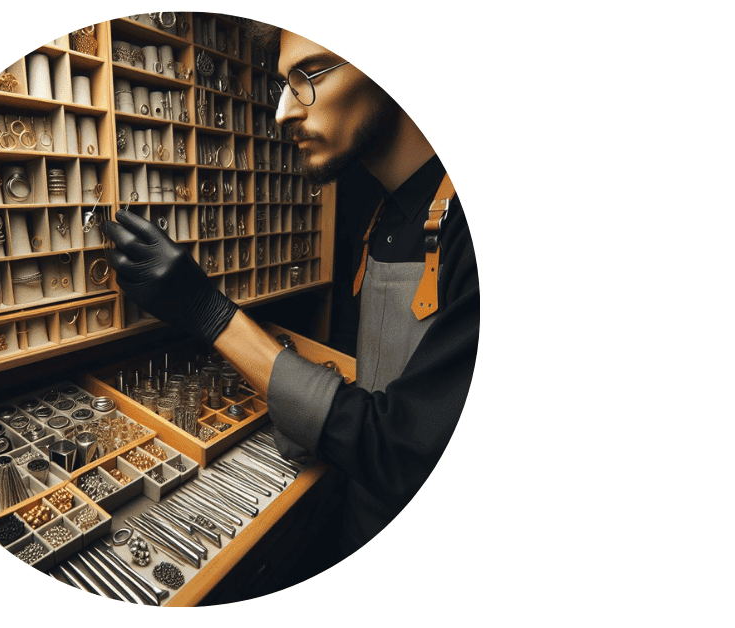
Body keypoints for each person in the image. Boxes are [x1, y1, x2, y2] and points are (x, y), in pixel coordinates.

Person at [102, 24, 479, 572]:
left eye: (308, 75)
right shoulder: (380, 216)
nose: (282, 112)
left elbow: (404, 451)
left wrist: (208, 312)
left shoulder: (472, 233)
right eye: (283, 83)